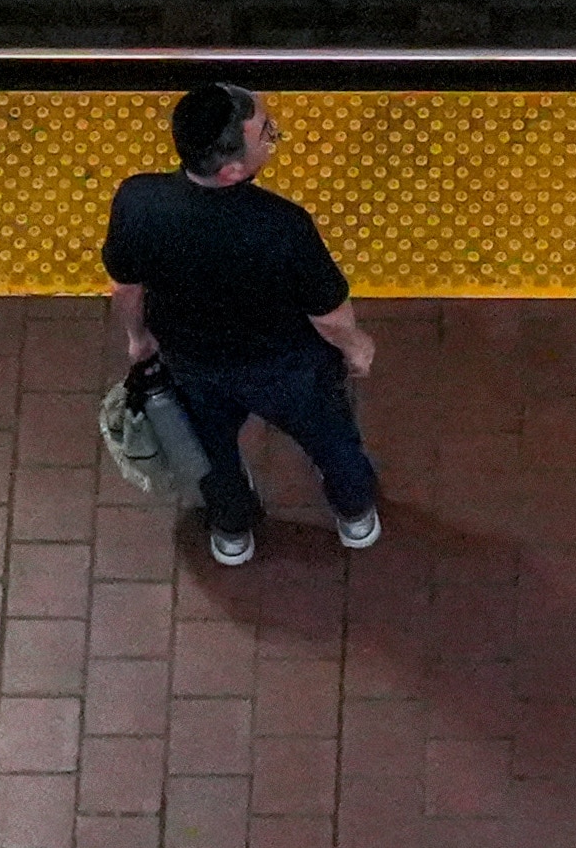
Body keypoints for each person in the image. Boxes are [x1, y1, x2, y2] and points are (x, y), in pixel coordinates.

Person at [99, 82, 382, 569]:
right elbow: (328, 317)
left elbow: (126, 288)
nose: (273, 136)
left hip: (190, 362)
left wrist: (138, 340)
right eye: (267, 133)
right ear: (232, 171)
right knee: (331, 439)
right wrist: (357, 348)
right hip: (286, 367)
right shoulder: (283, 226)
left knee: (209, 450)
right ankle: (355, 515)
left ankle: (232, 529)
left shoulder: (139, 200)